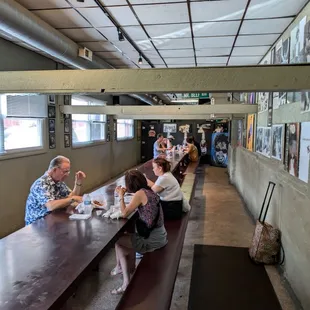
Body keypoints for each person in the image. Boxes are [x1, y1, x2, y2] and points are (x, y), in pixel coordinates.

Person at [110, 170, 167, 295]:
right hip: (160, 235)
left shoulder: (140, 194)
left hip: (152, 240)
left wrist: (120, 195)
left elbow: (124, 213)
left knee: (118, 242)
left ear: (130, 185)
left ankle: (125, 282)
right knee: (124, 240)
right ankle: (128, 267)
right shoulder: (149, 190)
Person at [25, 156, 86, 225]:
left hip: (54, 218)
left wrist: (78, 182)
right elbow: (51, 206)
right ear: (54, 170)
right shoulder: (41, 184)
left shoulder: (58, 181)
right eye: (65, 171)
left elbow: (70, 197)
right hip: (38, 223)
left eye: (68, 171)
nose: (67, 174)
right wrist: (73, 199)